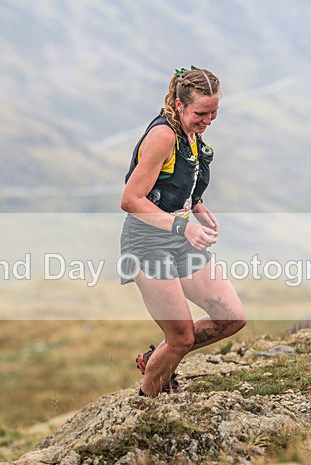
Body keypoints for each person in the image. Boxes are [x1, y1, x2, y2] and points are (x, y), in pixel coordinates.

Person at [120, 66, 246, 398]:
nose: (208, 120)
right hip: (148, 244)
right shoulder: (163, 136)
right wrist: (182, 225)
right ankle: (148, 407)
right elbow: (131, 200)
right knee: (181, 337)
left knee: (231, 318)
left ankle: (156, 359)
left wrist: (197, 206)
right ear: (179, 105)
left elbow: (177, 181)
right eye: (201, 113)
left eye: (214, 112)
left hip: (180, 237)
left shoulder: (189, 131)